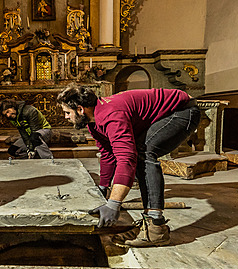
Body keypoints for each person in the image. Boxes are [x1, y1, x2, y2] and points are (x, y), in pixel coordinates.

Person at [57, 85, 200, 247]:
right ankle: (150, 222)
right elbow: (108, 154)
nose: (66, 117)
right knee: (139, 152)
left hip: (182, 111)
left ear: (81, 109)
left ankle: (156, 227)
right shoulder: (94, 122)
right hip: (168, 113)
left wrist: (114, 204)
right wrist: (103, 188)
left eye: (67, 112)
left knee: (142, 153)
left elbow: (126, 158)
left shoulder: (111, 115)